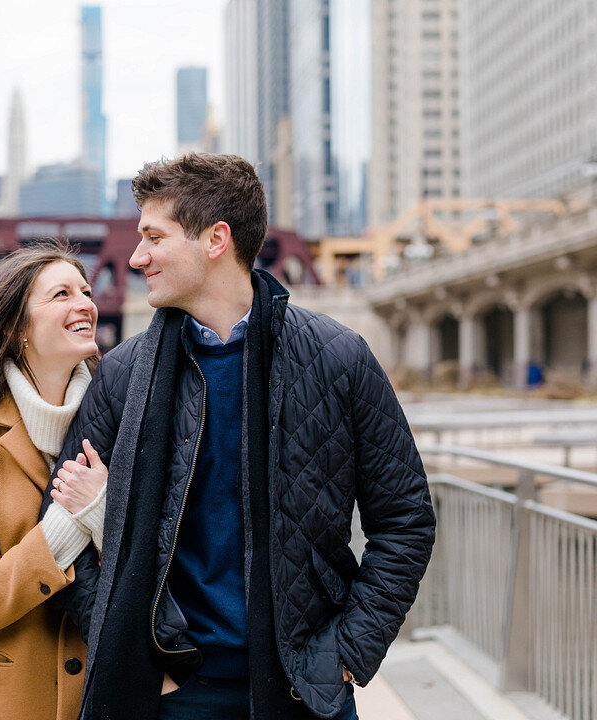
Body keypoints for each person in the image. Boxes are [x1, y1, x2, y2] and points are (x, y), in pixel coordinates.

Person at [41, 153, 436, 720]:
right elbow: (64, 537)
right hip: (174, 693)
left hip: (306, 689)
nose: (136, 256)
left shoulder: (338, 358)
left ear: (215, 239)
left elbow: (405, 522)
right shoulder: (123, 375)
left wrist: (343, 656)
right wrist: (137, 655)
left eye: (154, 236)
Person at [0, 241, 110, 720]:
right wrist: (67, 527)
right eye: (61, 294)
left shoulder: (127, 424)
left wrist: (103, 512)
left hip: (108, 693)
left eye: (86, 291)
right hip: (2, 700)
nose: (85, 303)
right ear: (14, 327)